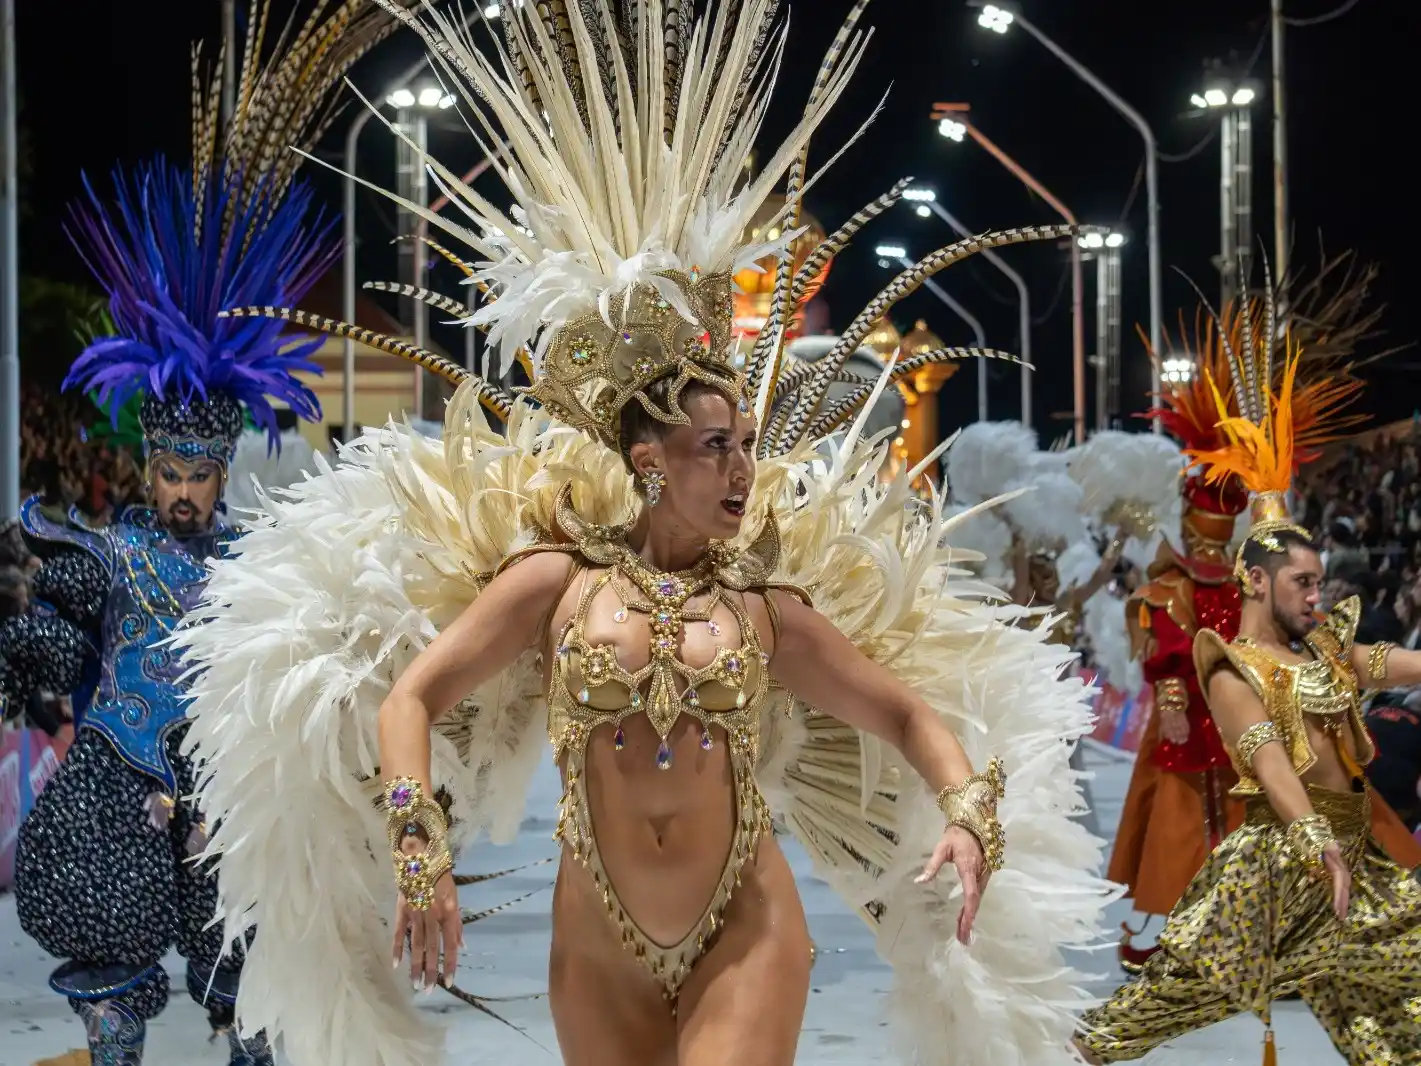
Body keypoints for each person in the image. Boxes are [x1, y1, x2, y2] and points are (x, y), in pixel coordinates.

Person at [174, 4, 1117, 1066]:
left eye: (748, 444)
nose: (741, 468)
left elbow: (906, 714)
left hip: (746, 927)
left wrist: (964, 813)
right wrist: (415, 841)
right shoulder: (552, 585)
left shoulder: (764, 613)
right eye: (715, 446)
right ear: (648, 462)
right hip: (598, 946)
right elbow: (410, 699)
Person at [0, 4, 400, 1062]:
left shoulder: (253, 566)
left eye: (200, 475)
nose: (183, 490)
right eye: (169, 472)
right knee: (115, 987)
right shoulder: (105, 553)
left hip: (232, 795)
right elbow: (46, 637)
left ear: (224, 472)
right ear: (146, 466)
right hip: (121, 786)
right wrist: (28, 646)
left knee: (256, 977)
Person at [1075, 317, 1421, 1065]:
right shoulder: (1228, 666)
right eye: (1303, 583)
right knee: (1127, 1025)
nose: (1316, 597)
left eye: (1319, 583)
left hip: (1346, 860)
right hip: (1273, 863)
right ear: (1256, 581)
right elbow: (1266, 765)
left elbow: (1386, 662)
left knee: (1392, 1023)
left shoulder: (1322, 650)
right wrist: (1316, 847)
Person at [1109, 308, 1250, 972]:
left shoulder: (1246, 583)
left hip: (1240, 728)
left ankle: (1232, 936)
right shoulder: (1164, 588)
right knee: (1173, 829)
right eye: (1200, 541)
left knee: (1243, 833)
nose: (1207, 554)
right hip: (1185, 726)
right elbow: (1162, 656)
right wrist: (1170, 705)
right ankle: (1155, 933)